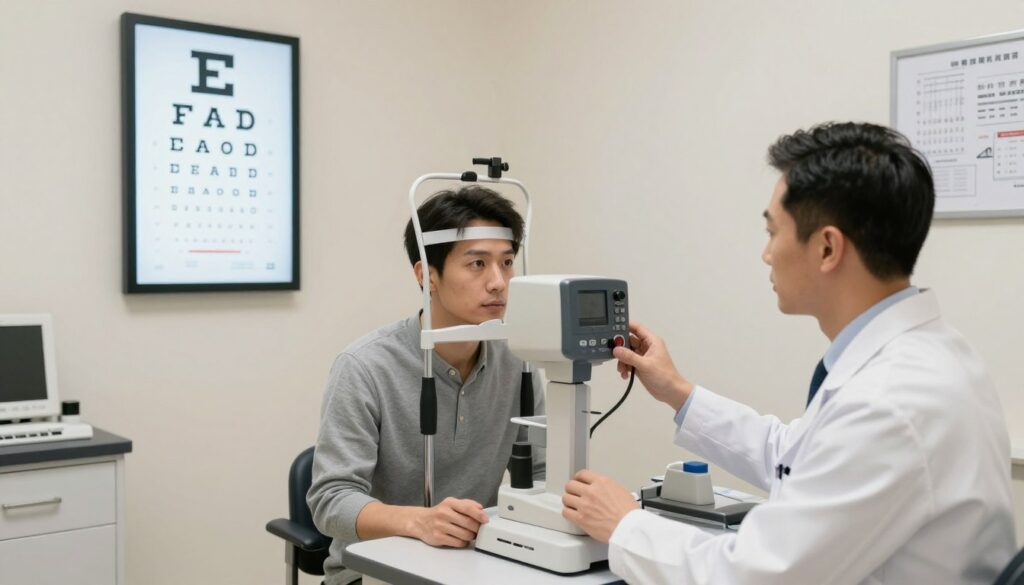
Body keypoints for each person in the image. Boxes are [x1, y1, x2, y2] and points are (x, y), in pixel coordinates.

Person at [561, 122, 1016, 584]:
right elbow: (796, 457)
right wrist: (677, 391)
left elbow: (753, 576)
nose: (766, 254)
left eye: (772, 231)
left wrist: (626, 525)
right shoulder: (928, 355)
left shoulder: (890, 402)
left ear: (826, 248)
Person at [308, 186, 544, 585]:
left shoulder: (516, 361)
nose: (499, 282)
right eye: (477, 264)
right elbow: (331, 501)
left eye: (506, 262)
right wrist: (420, 521)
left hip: (474, 566)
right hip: (372, 573)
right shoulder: (365, 366)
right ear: (426, 275)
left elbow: (542, 473)